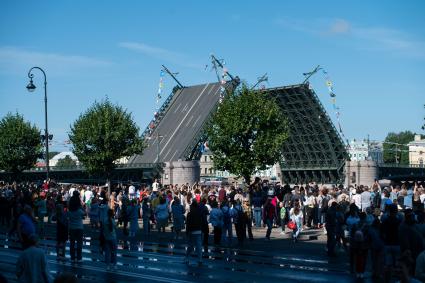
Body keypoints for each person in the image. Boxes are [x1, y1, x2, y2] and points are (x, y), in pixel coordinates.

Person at [68, 191, 84, 263]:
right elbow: (84, 214)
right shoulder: (79, 210)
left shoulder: (70, 210)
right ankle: (79, 257)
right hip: (79, 227)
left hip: (72, 227)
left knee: (72, 243)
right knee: (79, 243)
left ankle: (72, 257)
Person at [185, 201, 203, 266]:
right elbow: (202, 222)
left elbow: (188, 224)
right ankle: (200, 259)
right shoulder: (200, 213)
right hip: (199, 231)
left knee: (190, 246)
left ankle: (187, 258)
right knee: (199, 246)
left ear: (192, 207)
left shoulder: (189, 214)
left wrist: (187, 232)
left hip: (192, 231)